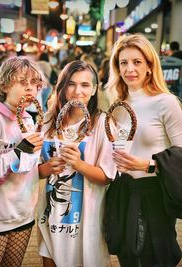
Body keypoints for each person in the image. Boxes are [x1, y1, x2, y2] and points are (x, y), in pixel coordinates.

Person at [105, 33, 182, 267]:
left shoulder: (166, 102)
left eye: (137, 62)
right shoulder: (117, 103)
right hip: (123, 192)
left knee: (154, 257)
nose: (130, 69)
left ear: (150, 66)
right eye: (123, 62)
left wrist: (147, 164)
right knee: (127, 257)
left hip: (153, 195)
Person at [37, 60, 117, 267]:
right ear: (62, 87)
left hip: (85, 223)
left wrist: (79, 164)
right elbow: (34, 170)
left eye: (85, 85)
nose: (77, 91)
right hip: (50, 216)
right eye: (71, 84)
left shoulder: (103, 123)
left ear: (94, 89)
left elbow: (107, 176)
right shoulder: (48, 121)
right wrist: (45, 169)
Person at [0, 56, 45, 266]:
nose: (31, 90)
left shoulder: (28, 120)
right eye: (23, 82)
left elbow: (26, 170)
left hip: (23, 215)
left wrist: (46, 167)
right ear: (6, 84)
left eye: (35, 84)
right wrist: (18, 151)